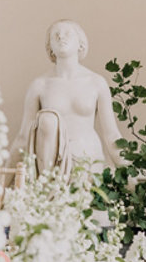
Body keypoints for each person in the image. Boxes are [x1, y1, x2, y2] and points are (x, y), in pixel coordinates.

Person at [7, 20, 125, 179]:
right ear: (50, 48)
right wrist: (1, 184)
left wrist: (132, 178)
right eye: (55, 35)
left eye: (67, 33)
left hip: (88, 161)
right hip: (51, 167)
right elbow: (23, 138)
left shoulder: (96, 82)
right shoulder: (40, 85)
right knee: (47, 120)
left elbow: (112, 136)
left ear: (80, 43)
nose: (61, 37)